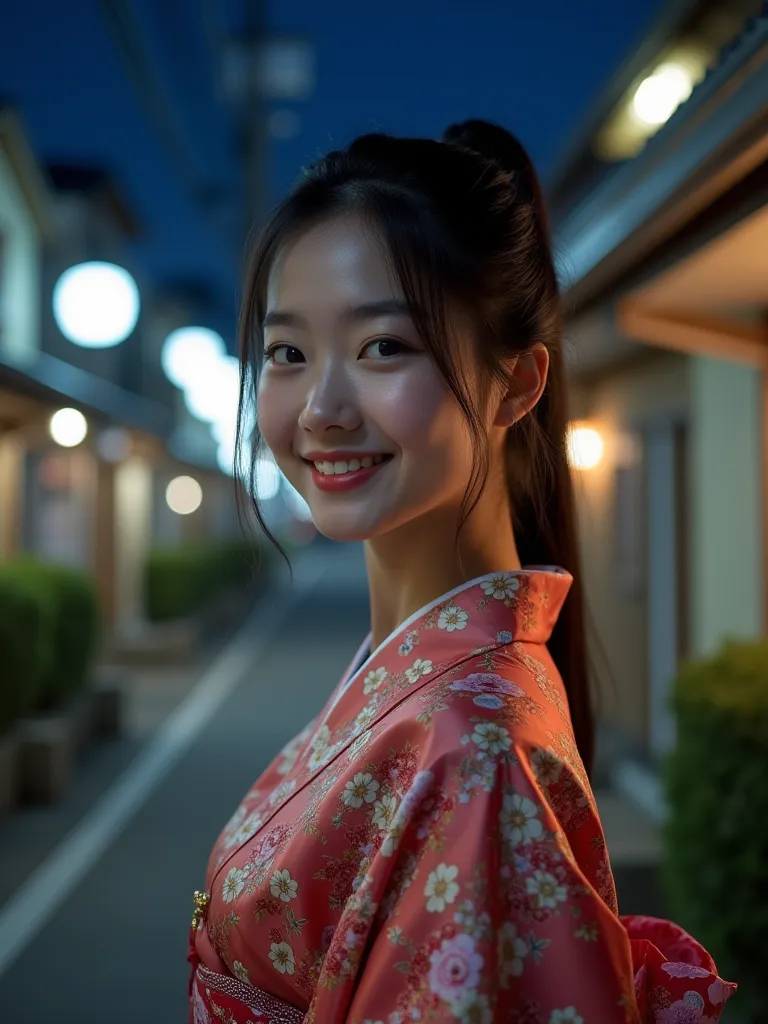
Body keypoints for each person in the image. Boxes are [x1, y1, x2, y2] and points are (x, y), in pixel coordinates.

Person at [187, 121, 737, 1024]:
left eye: (382, 348)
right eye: (288, 353)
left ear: (515, 385)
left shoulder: (481, 750)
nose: (320, 409)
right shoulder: (416, 682)